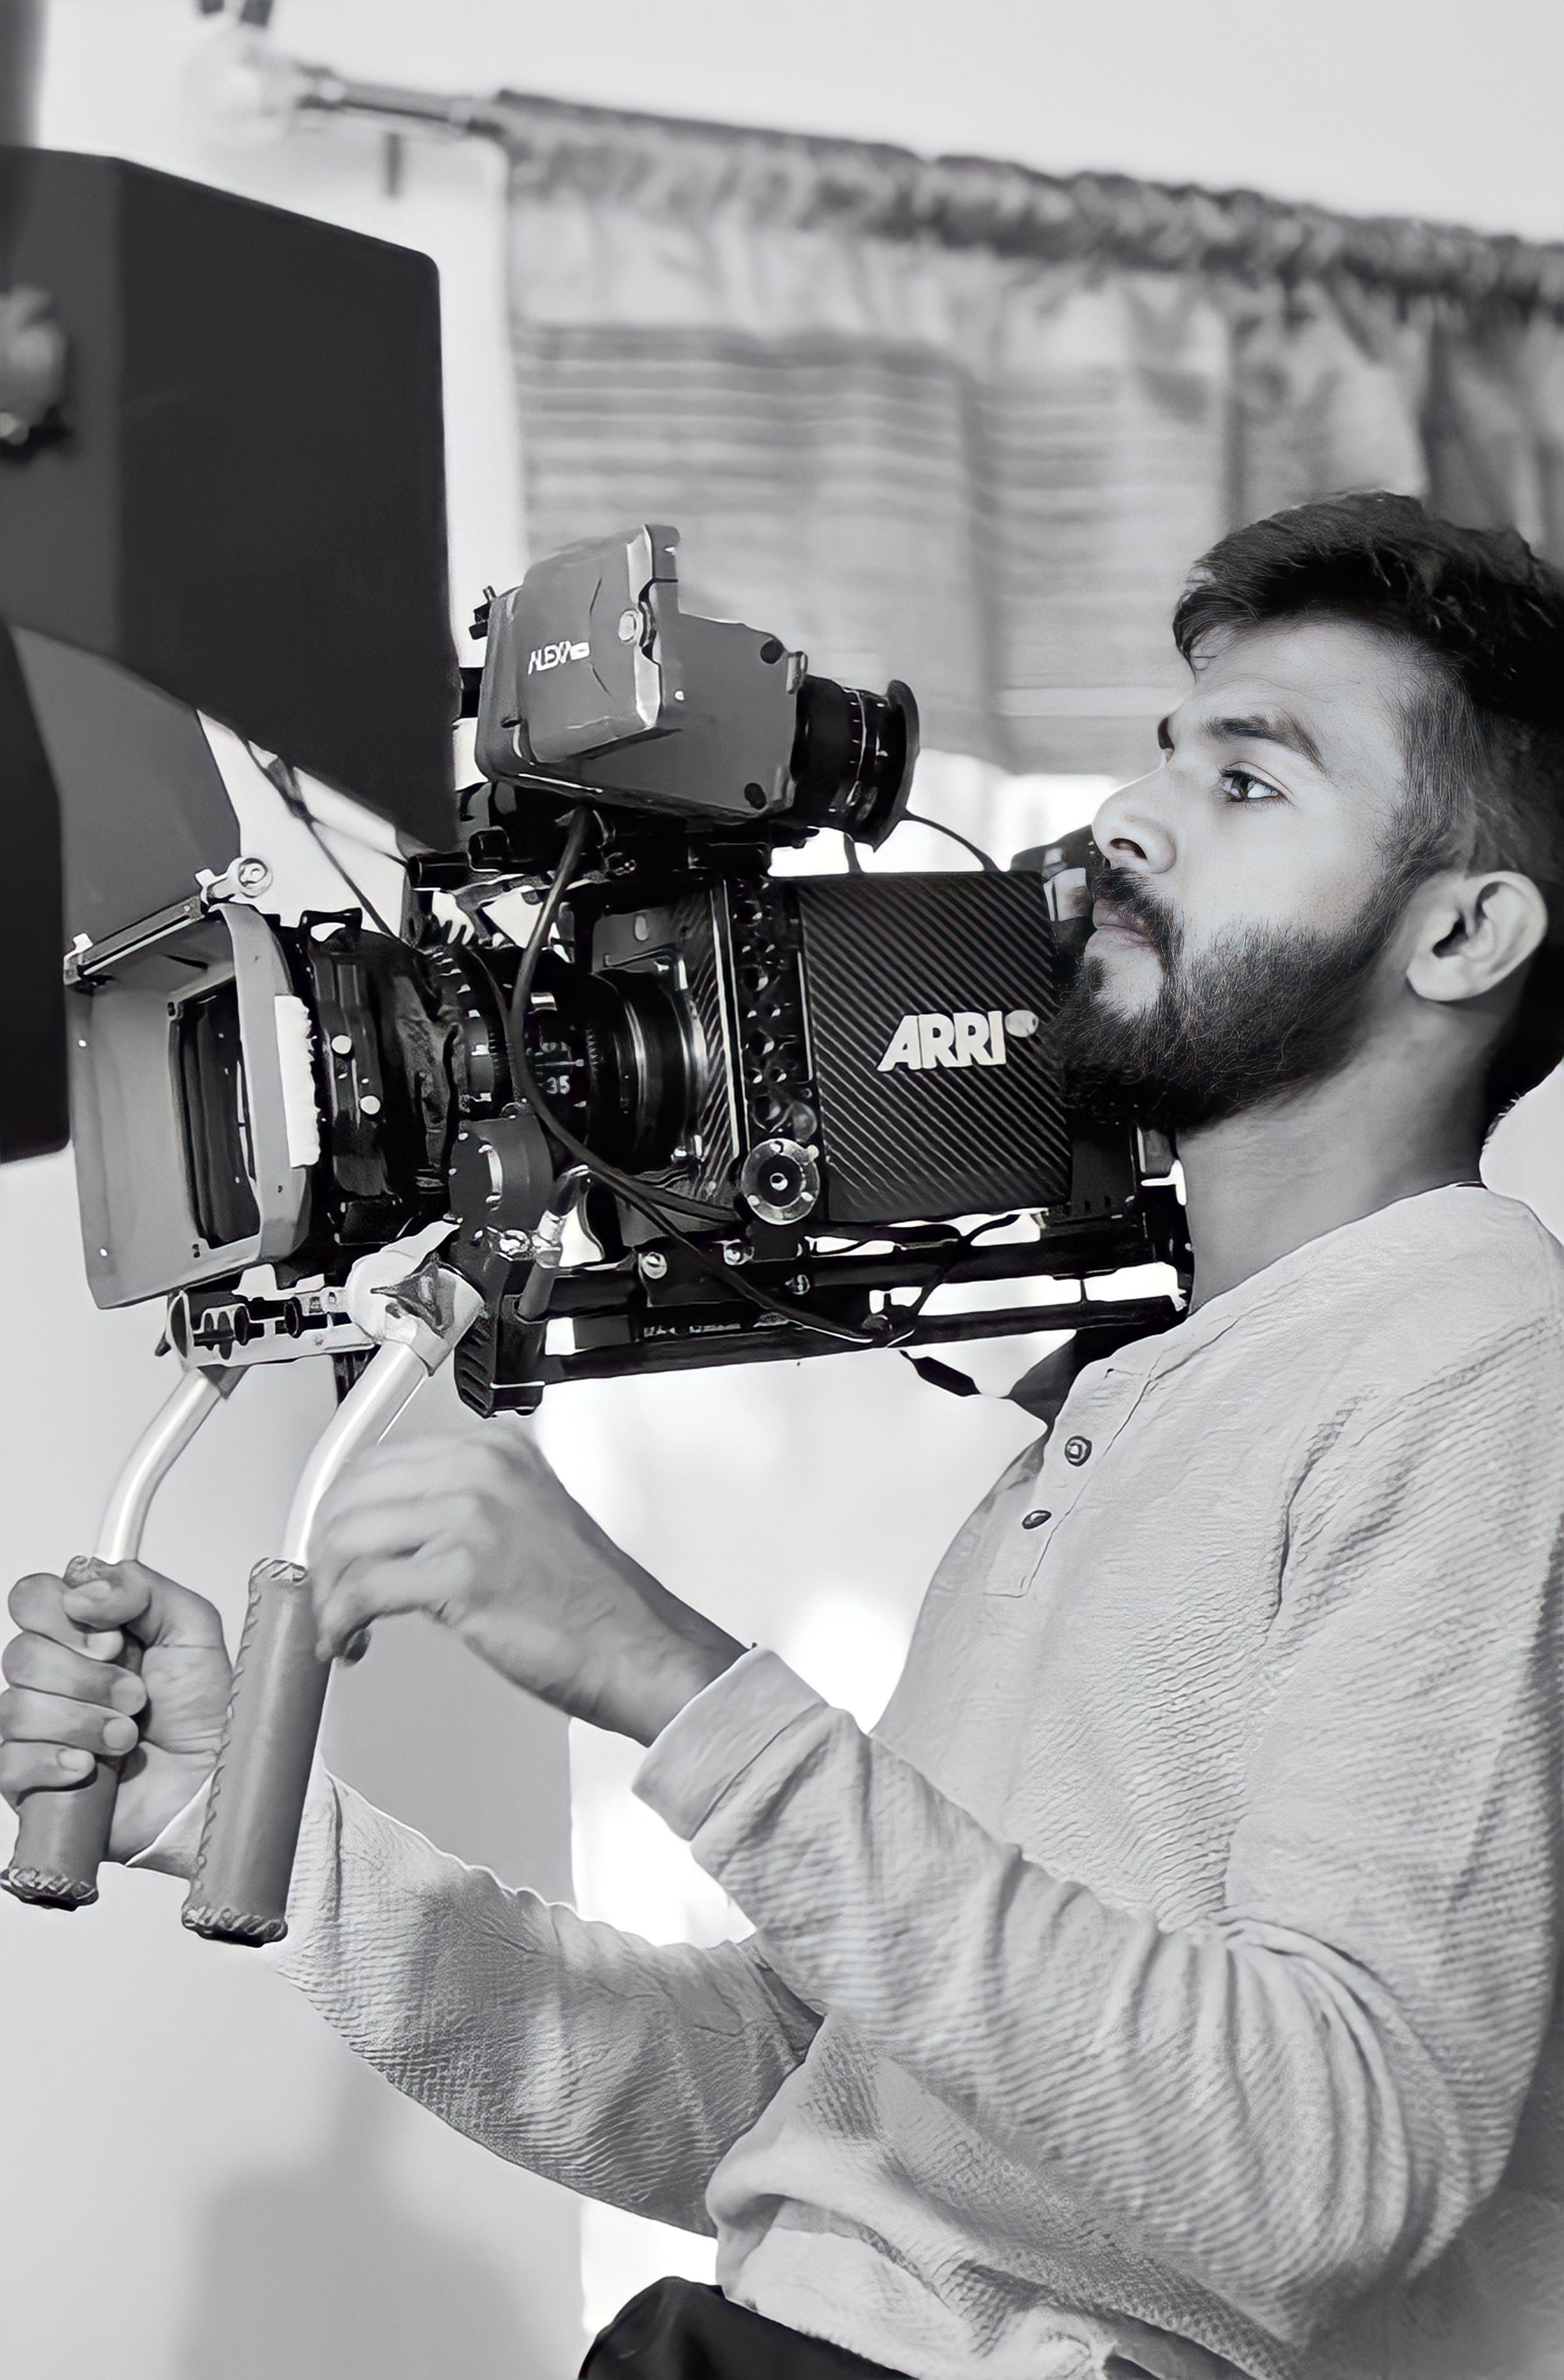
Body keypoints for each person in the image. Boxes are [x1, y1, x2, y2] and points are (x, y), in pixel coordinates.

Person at [5, 493, 1564, 2380]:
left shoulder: (1473, 1357)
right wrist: (243, 1826)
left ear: (1462, 930)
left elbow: (1324, 2167)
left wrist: (675, 1681)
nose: (1125, 822)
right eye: (1161, 756)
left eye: (1245, 783)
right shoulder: (1147, 1400)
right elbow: (819, 2096)